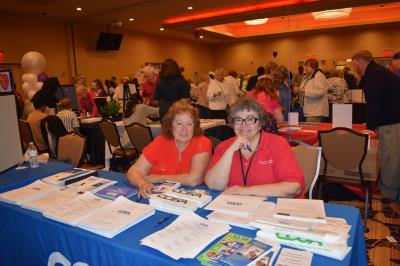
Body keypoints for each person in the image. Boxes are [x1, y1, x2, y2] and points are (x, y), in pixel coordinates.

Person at [205, 97, 304, 198]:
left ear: (260, 123)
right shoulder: (224, 146)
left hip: (274, 208)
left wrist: (246, 191)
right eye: (238, 119)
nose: (244, 125)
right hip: (237, 208)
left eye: (250, 119)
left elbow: (294, 187)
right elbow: (214, 185)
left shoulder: (277, 144)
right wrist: (231, 150)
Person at [127, 99, 212, 198]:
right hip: (159, 197)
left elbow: (194, 179)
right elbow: (135, 170)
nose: (184, 129)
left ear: (195, 126)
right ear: (170, 125)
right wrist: (142, 184)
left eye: (189, 124)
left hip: (192, 198)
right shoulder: (160, 141)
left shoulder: (202, 142)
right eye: (179, 123)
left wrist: (161, 178)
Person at [352, 50, 400, 201]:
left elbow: (373, 104)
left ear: (360, 62)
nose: (355, 69)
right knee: (389, 157)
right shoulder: (378, 72)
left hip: (390, 123)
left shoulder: (372, 76)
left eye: (355, 65)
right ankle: (385, 188)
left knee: (390, 159)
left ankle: (389, 194)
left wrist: (370, 126)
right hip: (391, 120)